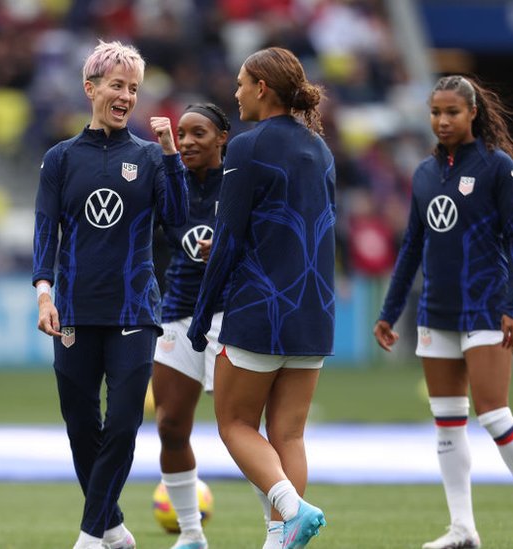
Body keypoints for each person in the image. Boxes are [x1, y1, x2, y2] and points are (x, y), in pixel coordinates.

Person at [372, 75, 513, 549]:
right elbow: (412, 247)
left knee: (494, 414)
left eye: (452, 112)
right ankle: (463, 530)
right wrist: (390, 312)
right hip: (436, 312)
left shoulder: (499, 168)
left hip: (487, 309)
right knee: (447, 419)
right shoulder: (422, 174)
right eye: (436, 112)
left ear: (472, 113)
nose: (442, 120)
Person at [32, 40, 189, 549]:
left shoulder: (148, 156)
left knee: (122, 423)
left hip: (134, 310)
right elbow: (44, 232)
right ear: (91, 88)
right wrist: (43, 293)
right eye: (117, 85)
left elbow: (179, 220)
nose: (125, 96)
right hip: (74, 309)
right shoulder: (60, 159)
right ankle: (116, 528)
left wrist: (171, 156)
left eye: (133, 88)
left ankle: (88, 537)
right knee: (82, 425)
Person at [187, 46, 334, 549]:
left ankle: (293, 511)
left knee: (234, 423)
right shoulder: (321, 149)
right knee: (288, 436)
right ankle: (279, 540)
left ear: (262, 89)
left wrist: (200, 316)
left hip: (260, 309)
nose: (236, 93)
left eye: (241, 83)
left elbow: (227, 239)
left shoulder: (247, 147)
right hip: (315, 312)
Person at [152, 102, 230, 549]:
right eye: (181, 134)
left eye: (198, 133)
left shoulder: (241, 182)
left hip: (229, 315)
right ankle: (191, 534)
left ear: (222, 137)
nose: (186, 142)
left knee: (239, 431)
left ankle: (277, 529)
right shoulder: (169, 183)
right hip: (177, 313)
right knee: (170, 426)